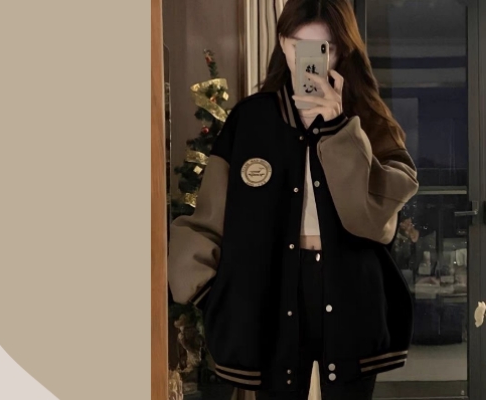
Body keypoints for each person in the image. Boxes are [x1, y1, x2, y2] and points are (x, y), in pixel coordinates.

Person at [168, 0, 419, 399]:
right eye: (299, 46)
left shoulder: (368, 120)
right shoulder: (250, 120)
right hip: (270, 289)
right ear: (283, 43)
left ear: (342, 50)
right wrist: (211, 294)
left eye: (324, 48)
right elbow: (207, 220)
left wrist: (340, 130)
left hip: (351, 290)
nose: (310, 60)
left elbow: (374, 222)